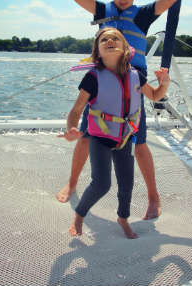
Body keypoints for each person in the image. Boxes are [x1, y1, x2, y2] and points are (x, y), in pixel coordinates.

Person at [57, 0, 192, 219]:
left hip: (133, 82)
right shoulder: (102, 10)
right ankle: (73, 182)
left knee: (140, 143)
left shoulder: (143, 14)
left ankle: (154, 197)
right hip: (103, 81)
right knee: (86, 135)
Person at [58, 27, 170, 238]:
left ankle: (123, 218)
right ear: (97, 52)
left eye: (115, 38)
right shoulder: (93, 77)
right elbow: (76, 110)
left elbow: (155, 95)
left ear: (126, 48)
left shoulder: (137, 75)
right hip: (100, 138)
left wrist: (164, 83)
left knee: (127, 182)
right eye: (104, 40)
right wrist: (72, 128)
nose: (109, 41)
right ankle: (79, 214)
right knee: (102, 183)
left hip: (126, 137)